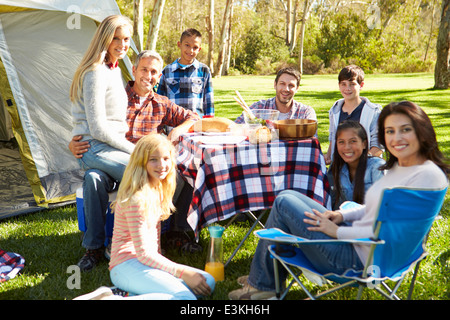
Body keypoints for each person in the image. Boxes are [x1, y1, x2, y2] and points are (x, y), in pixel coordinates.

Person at [229, 101, 449, 300]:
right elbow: (379, 211)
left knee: (284, 204)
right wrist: (342, 215)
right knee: (286, 196)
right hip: (359, 245)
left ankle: (262, 283)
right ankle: (264, 280)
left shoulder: (424, 176)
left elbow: (381, 231)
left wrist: (336, 232)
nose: (396, 138)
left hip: (356, 260)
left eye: (405, 130)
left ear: (421, 131)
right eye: (390, 131)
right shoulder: (408, 169)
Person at [70, 50, 200, 272]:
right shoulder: (117, 97)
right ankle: (94, 247)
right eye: (144, 69)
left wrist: (177, 129)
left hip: (148, 167)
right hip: (114, 161)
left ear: (159, 76)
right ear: (134, 70)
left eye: (154, 72)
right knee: (92, 178)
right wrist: (72, 144)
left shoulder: (161, 103)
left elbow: (193, 117)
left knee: (184, 172)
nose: (148, 76)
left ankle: (172, 233)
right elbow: (90, 121)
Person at [109, 133, 215, 299]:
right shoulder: (136, 198)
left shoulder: (158, 188)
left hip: (147, 263)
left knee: (207, 281)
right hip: (125, 265)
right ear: (141, 162)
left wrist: (162, 271)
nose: (162, 165)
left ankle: (128, 294)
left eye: (166, 158)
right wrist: (182, 272)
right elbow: (143, 254)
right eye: (153, 160)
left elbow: (154, 243)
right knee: (185, 298)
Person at [70, 15, 135, 181]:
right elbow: (97, 129)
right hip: (93, 148)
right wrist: (135, 150)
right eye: (116, 38)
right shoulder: (96, 72)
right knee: (144, 171)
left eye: (126, 39)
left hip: (111, 146)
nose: (122, 45)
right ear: (105, 39)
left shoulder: (114, 70)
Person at [324, 65, 383, 165]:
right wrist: (329, 156)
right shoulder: (335, 111)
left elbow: (378, 146)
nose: (347, 88)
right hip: (339, 168)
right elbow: (333, 138)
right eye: (344, 84)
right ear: (339, 85)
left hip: (366, 168)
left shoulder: (373, 111)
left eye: (352, 84)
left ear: (361, 85)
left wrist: (358, 163)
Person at [327, 120, 385, 210]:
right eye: (341, 142)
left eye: (353, 141)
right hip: (343, 222)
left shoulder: (377, 167)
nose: (347, 147)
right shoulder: (336, 168)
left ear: (364, 144)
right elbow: (333, 205)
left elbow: (385, 206)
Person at [157, 28, 214, 117]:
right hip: (173, 127)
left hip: (196, 126)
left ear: (199, 49)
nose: (190, 50)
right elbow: (160, 102)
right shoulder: (167, 71)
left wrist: (209, 123)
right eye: (187, 45)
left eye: (195, 47)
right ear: (179, 44)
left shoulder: (204, 70)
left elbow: (209, 102)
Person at [234, 67, 317, 123]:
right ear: (275, 84)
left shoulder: (305, 113)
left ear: (297, 88)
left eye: (291, 85)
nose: (286, 89)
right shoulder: (259, 108)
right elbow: (234, 127)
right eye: (282, 84)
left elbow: (312, 140)